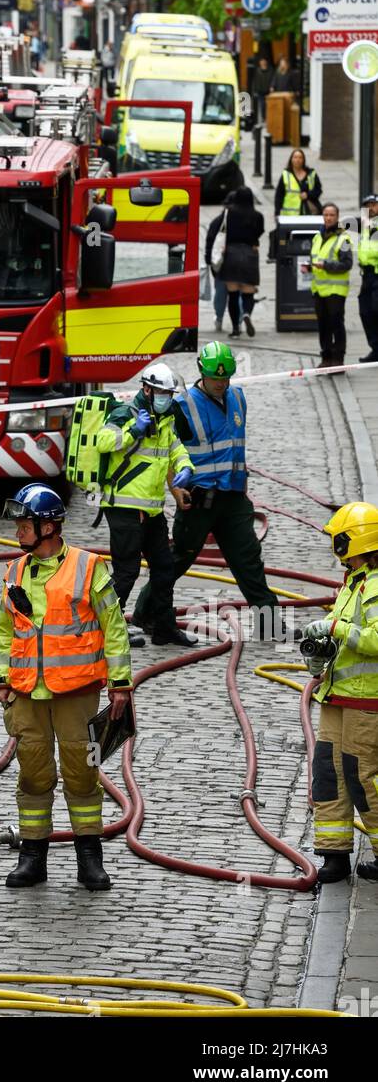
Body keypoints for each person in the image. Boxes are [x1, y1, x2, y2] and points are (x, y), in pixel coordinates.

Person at [0, 483, 132, 891]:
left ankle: (89, 858)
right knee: (33, 774)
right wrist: (3, 679)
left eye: (25, 524)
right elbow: (7, 631)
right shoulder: (15, 571)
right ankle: (32, 857)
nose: (18, 530)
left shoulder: (89, 567)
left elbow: (114, 627)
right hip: (27, 693)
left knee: (81, 773)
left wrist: (121, 685)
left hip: (76, 692)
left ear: (49, 526)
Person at [132, 342, 283, 644]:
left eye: (225, 378)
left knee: (248, 560)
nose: (221, 383)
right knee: (178, 559)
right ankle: (145, 613)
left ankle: (269, 625)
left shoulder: (238, 397)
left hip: (234, 499)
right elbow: (165, 447)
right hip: (198, 500)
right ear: (202, 372)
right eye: (215, 378)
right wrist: (176, 489)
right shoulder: (183, 406)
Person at [300, 502, 378, 883]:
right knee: (328, 773)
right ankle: (334, 853)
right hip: (337, 696)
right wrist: (321, 646)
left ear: (353, 541)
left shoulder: (375, 586)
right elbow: (339, 625)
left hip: (366, 701)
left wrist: (336, 630)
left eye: (339, 539)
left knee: (363, 776)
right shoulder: (354, 582)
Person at [95, 363, 194, 649]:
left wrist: (186, 467)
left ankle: (164, 628)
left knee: (164, 568)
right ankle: (106, 630)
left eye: (169, 394)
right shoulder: (125, 413)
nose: (166, 398)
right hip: (124, 508)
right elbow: (103, 441)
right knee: (126, 572)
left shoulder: (165, 418)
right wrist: (132, 431)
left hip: (151, 510)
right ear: (147, 389)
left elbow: (175, 448)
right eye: (162, 393)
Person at [306, 202, 354, 369]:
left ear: (337, 217)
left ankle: (338, 358)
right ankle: (326, 357)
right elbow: (314, 258)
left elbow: (347, 264)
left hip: (336, 289)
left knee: (336, 324)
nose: (328, 218)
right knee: (323, 325)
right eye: (326, 215)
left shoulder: (344, 239)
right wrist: (309, 267)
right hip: (319, 289)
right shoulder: (317, 237)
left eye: (332, 215)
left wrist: (325, 265)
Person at [218, 185, 263, 337]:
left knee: (233, 294)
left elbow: (221, 229)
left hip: (231, 253)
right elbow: (259, 232)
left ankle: (235, 329)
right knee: (248, 292)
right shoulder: (257, 216)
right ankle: (247, 313)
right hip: (250, 254)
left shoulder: (228, 213)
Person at [206, 192, 234, 333]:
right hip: (238, 260)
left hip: (220, 262)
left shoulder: (217, 221)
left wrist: (208, 259)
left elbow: (210, 240)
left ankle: (219, 318)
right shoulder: (243, 221)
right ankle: (239, 320)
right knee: (238, 291)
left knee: (220, 291)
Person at [358, 194, 378, 363]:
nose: (370, 208)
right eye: (367, 205)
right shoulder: (365, 225)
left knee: (376, 309)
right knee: (365, 312)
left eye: (374, 205)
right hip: (367, 274)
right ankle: (376, 348)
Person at [275, 148, 322, 217]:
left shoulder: (311, 174)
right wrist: (277, 212)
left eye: (300, 157)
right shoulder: (286, 174)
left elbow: (318, 190)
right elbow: (279, 195)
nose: (297, 160)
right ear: (291, 160)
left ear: (303, 160)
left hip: (309, 212)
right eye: (295, 157)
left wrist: (308, 195)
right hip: (290, 215)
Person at [251, 55, 273, 124]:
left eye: (264, 61)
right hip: (260, 91)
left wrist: (271, 87)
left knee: (269, 105)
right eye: (261, 61)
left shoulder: (270, 70)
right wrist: (255, 90)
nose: (263, 62)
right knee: (262, 105)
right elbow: (255, 81)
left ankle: (269, 117)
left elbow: (272, 80)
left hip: (268, 91)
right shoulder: (257, 71)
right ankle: (264, 118)